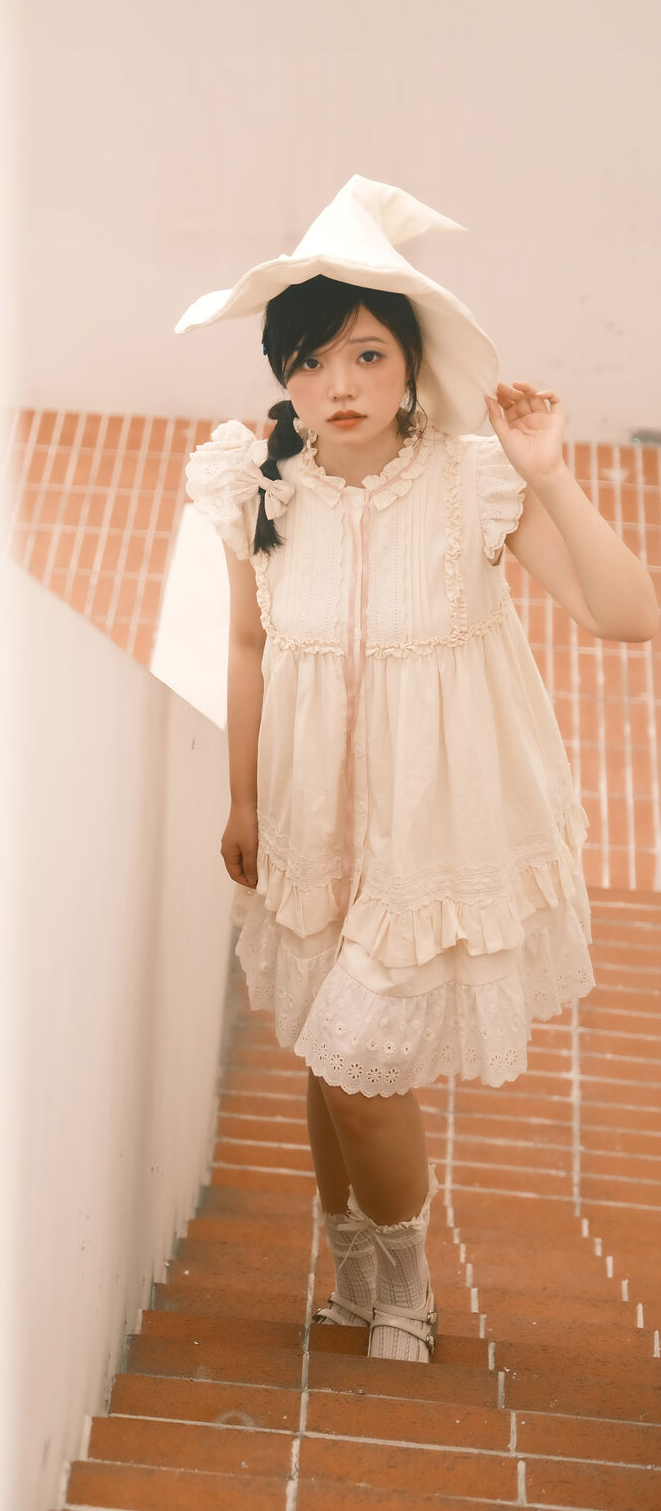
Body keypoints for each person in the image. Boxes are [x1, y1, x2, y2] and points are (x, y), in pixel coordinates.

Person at [177, 175, 659, 1363]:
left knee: (356, 1069)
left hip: (429, 836)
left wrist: (548, 469)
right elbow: (246, 646)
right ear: (283, 375)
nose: (338, 385)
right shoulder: (256, 481)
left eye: (367, 356)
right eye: (310, 361)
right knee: (324, 1051)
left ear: (410, 366)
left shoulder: (471, 480)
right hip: (307, 823)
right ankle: (353, 1278)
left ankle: (405, 1285)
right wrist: (242, 798)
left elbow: (627, 615)